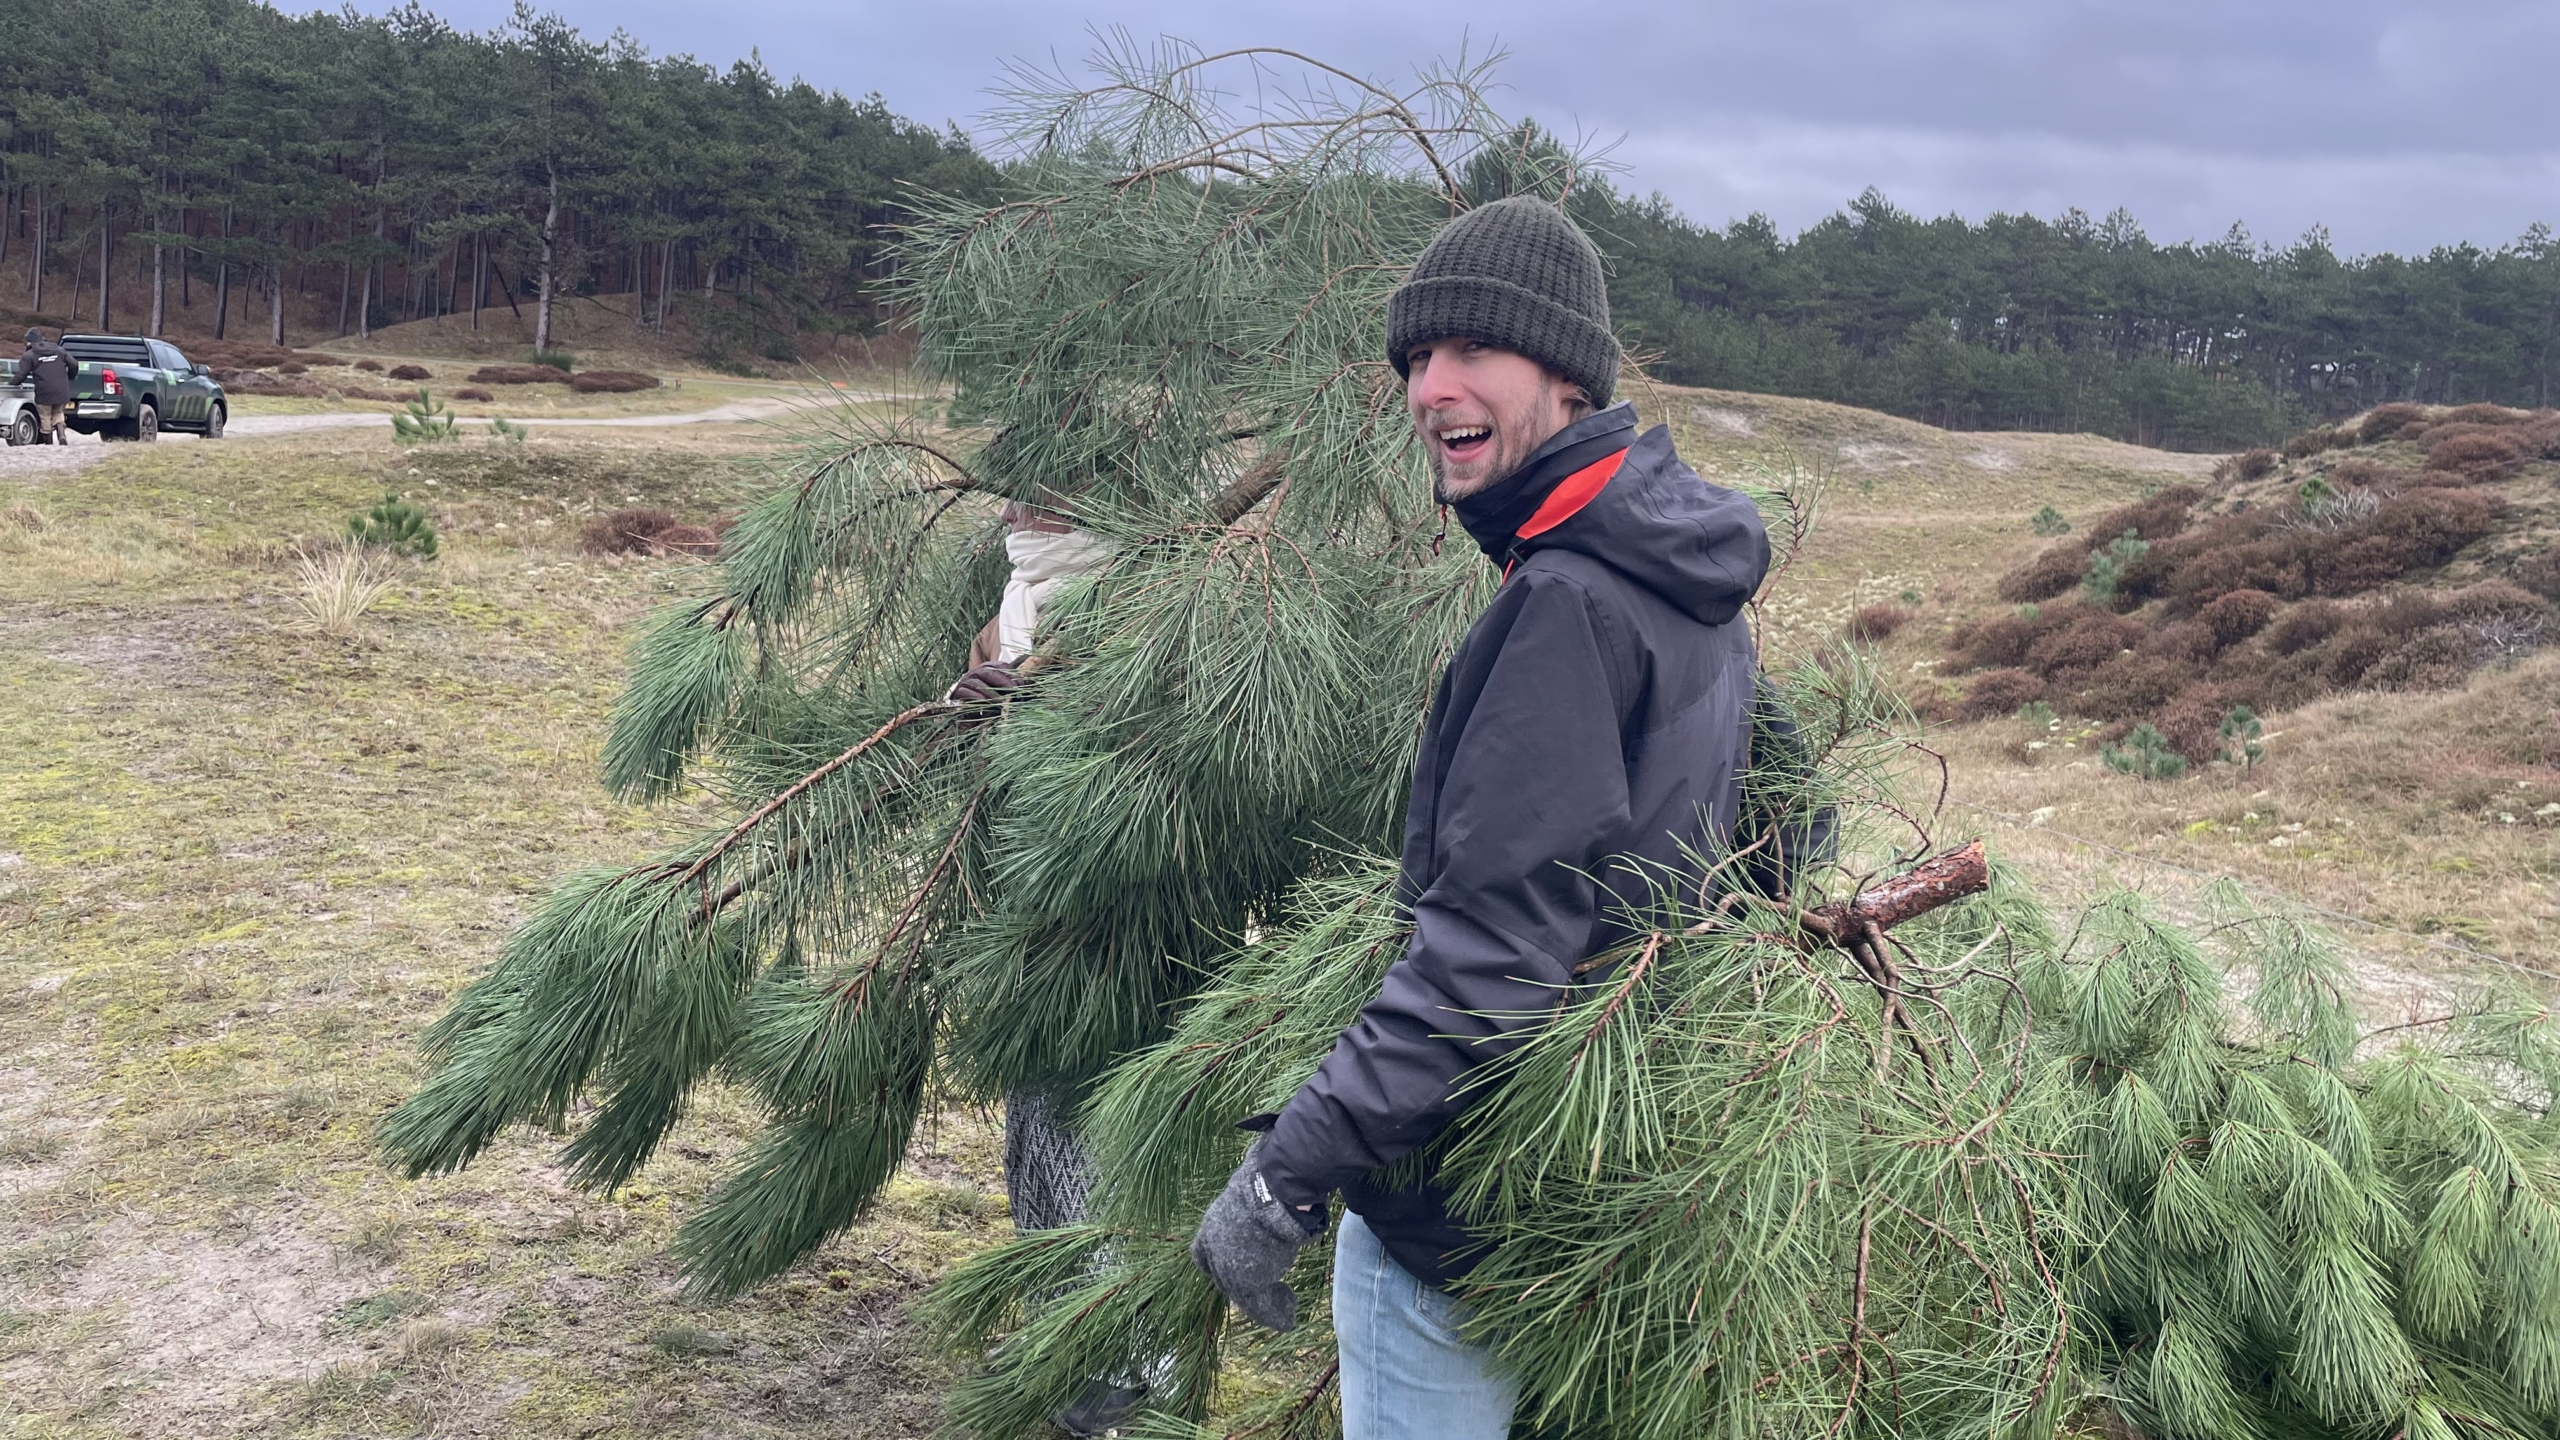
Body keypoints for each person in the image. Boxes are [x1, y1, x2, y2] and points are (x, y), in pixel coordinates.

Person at [1188, 195, 1802, 1439]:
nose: (1430, 386)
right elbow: (1785, 824)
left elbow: (1491, 957)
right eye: (1415, 357)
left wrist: (1285, 1177)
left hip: (1463, 1204)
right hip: (1600, 1175)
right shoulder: (1685, 575)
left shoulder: (1566, 601)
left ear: (1568, 380)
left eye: (1472, 350)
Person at [20, 328, 73, 444]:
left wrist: (12, 384)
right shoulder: (59, 350)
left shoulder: (29, 355)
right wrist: (70, 376)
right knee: (58, 412)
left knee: (45, 415)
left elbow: (22, 374)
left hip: (43, 391)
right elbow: (74, 363)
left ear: (29, 341)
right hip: (61, 390)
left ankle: (48, 441)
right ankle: (61, 434)